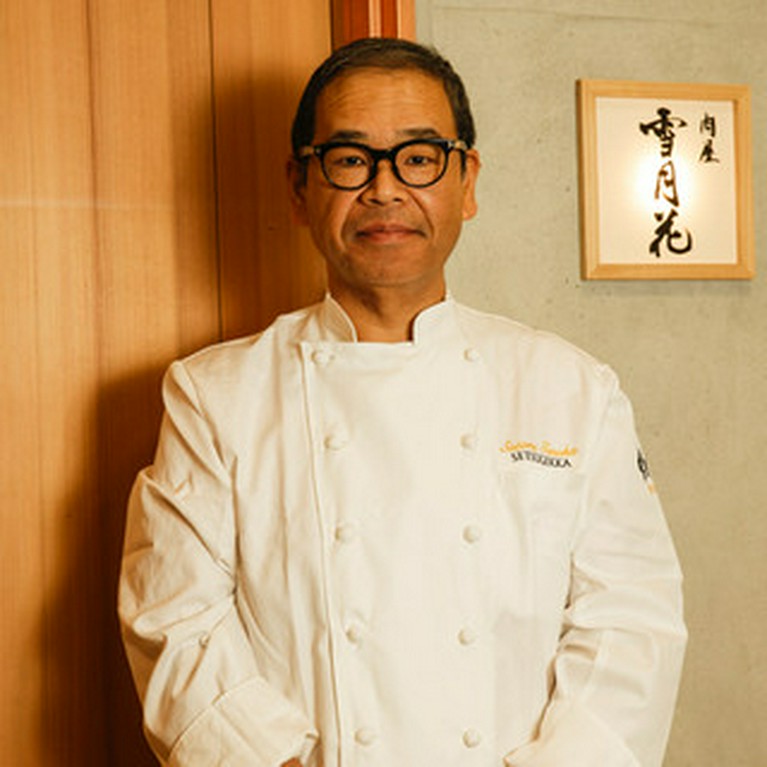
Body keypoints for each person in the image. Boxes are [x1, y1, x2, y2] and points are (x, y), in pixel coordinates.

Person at [119, 37, 686, 767]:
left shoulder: (573, 389)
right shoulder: (215, 396)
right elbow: (175, 620)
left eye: (418, 158)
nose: (384, 190)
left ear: (466, 181)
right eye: (350, 159)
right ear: (299, 186)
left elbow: (631, 619)